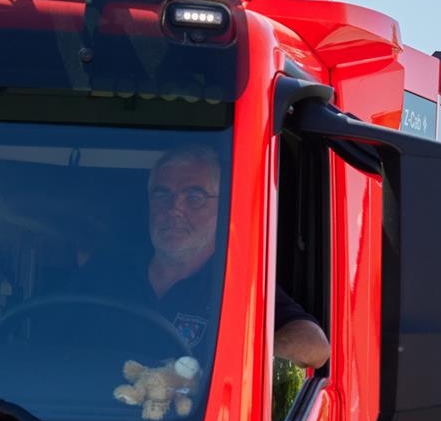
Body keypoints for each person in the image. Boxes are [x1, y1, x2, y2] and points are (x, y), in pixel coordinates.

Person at [141, 144, 330, 369]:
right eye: (163, 196)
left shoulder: (236, 282)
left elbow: (314, 345)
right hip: (99, 401)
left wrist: (231, 367)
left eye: (194, 198)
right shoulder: (111, 269)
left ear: (223, 207)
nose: (174, 209)